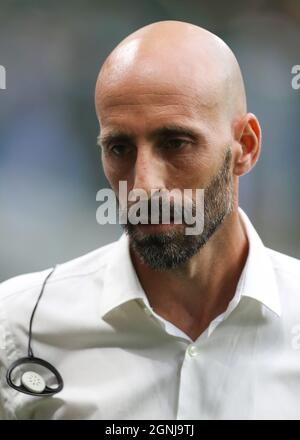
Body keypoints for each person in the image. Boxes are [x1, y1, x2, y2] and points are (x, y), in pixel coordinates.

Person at [1, 20, 300, 420]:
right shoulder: (19, 326)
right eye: (120, 147)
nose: (143, 186)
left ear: (245, 147)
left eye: (175, 143)